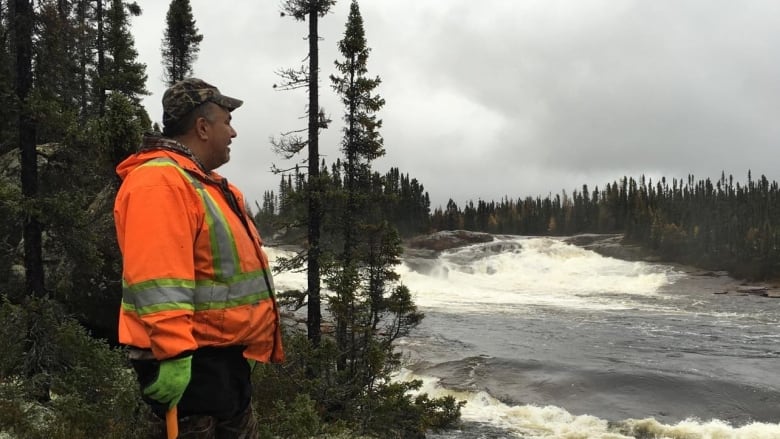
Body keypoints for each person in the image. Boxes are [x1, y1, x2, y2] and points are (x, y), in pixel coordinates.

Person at [113, 78, 284, 438]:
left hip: (221, 369)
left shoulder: (204, 184)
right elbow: (158, 281)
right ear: (203, 127)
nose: (233, 133)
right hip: (190, 371)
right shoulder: (159, 181)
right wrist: (174, 356)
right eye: (227, 122)